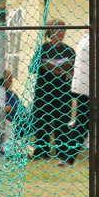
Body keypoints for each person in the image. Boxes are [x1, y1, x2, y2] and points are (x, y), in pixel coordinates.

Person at [56, 10, 99, 167]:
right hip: (97, 90)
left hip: (85, 89)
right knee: (97, 125)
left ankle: (68, 158)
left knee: (97, 124)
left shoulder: (85, 39)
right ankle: (68, 158)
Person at [31, 19, 75, 160]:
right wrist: (48, 67)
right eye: (57, 29)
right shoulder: (43, 49)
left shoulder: (69, 50)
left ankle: (62, 153)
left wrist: (65, 70)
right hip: (44, 92)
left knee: (62, 123)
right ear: (50, 31)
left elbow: (76, 70)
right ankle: (41, 152)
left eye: (63, 29)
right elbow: (32, 68)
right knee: (42, 122)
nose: (61, 32)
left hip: (62, 92)